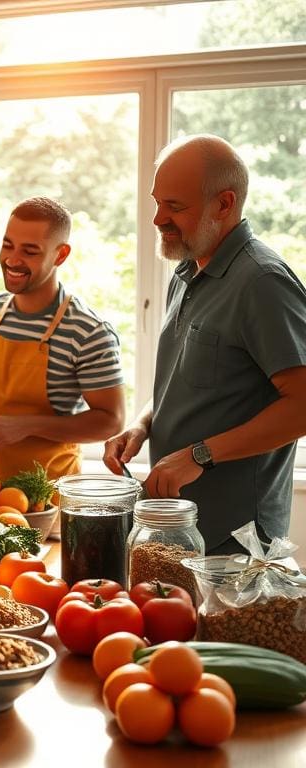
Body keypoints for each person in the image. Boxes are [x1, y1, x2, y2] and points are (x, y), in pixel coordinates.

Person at [104, 134, 306, 553]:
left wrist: (198, 455)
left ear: (224, 204)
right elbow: (191, 380)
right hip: (176, 529)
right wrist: (142, 425)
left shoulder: (262, 282)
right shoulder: (186, 272)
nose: (158, 219)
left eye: (175, 206)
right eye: (157, 202)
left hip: (237, 542)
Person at [0, 196, 125, 481]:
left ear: (60, 255)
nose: (12, 260)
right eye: (7, 245)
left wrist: (27, 426)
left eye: (30, 251)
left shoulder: (87, 330)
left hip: (49, 493)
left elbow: (110, 421)